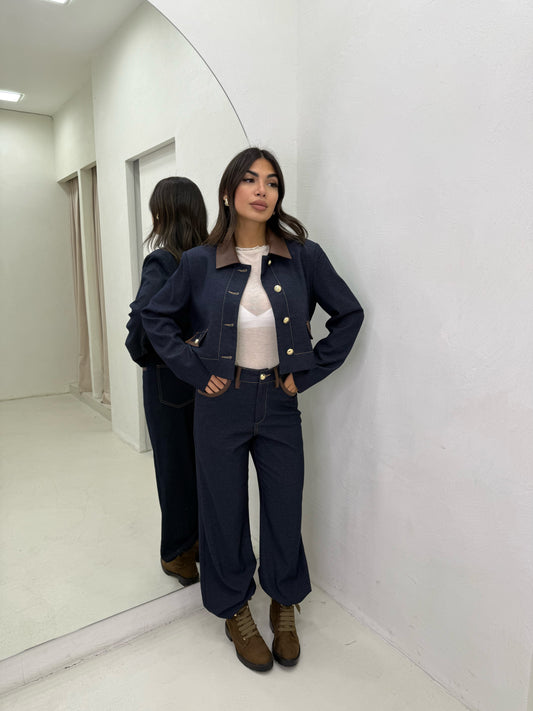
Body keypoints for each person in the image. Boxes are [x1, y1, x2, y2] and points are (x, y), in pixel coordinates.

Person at [142, 148, 364, 671]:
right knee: (222, 511)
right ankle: (235, 609)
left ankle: (284, 602)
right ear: (228, 193)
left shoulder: (303, 256)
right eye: (250, 180)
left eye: (272, 182)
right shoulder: (200, 262)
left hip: (280, 403)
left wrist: (305, 372)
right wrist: (197, 371)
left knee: (284, 507)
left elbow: (349, 313)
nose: (262, 190)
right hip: (221, 405)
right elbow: (156, 318)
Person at [125, 176, 208, 586]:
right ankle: (202, 543)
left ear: (162, 213)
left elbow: (142, 327)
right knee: (204, 467)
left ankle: (178, 553)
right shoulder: (211, 258)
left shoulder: (163, 261)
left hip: (167, 382)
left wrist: (144, 353)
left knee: (175, 469)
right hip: (207, 380)